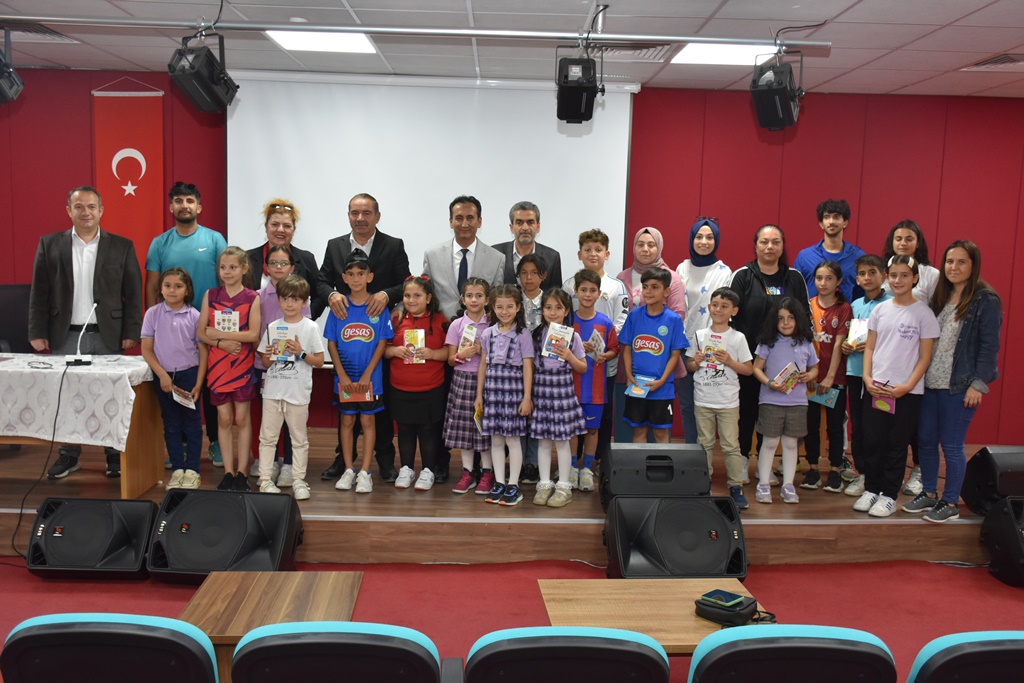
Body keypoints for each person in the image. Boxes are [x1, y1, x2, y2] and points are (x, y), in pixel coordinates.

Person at [29, 186, 143, 480]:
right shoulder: (50, 244)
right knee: (67, 396)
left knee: (112, 396)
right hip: (65, 334)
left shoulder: (122, 246)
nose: (86, 212)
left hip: (108, 334)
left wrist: (132, 330)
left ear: (101, 211)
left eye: (92, 206)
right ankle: (69, 454)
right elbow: (39, 292)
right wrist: (36, 331)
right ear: (69, 211)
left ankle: (113, 455)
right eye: (79, 206)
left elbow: (133, 293)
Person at [903, 241, 1002, 523]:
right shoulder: (940, 296)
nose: (954, 267)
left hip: (959, 386)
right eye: (949, 261)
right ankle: (929, 493)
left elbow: (989, 347)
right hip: (930, 383)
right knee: (925, 441)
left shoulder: (985, 300)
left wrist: (978, 384)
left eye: (961, 262)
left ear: (973, 265)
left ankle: (950, 502)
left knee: (952, 445)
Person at [318, 193, 411, 483]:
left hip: (376, 338)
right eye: (355, 213)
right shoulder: (335, 245)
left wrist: (386, 295)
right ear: (348, 216)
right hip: (346, 340)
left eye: (366, 213)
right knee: (346, 414)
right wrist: (332, 295)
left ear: (377, 216)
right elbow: (321, 281)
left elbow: (406, 282)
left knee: (378, 409)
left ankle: (384, 460)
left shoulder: (393, 245)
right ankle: (344, 461)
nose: (360, 218)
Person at [145, 182, 228, 468]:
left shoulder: (214, 239)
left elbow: (227, 279)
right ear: (171, 207)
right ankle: (179, 446)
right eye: (178, 201)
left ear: (198, 207)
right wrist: (154, 322)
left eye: (189, 200)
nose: (184, 205)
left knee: (211, 386)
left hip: (211, 326)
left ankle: (215, 442)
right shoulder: (160, 243)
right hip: (172, 327)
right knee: (177, 388)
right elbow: (152, 285)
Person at [856, 255, 939, 518]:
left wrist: (907, 386)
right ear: (887, 278)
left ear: (915, 278)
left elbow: (925, 357)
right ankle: (872, 489)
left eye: (904, 275)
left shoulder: (924, 313)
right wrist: (867, 378)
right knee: (873, 441)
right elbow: (870, 347)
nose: (898, 280)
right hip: (876, 388)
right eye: (893, 275)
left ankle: (889, 495)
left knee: (896, 444)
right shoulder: (880, 310)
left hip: (906, 393)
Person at [729, 224, 810, 469]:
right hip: (749, 361)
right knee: (747, 412)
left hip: (784, 365)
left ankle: (767, 467)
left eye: (776, 242)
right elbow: (731, 319)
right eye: (764, 242)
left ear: (783, 247)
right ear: (755, 246)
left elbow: (805, 319)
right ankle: (743, 460)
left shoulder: (794, 277)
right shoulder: (742, 276)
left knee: (773, 414)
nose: (769, 247)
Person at [324, 252, 394, 494]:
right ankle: (348, 469)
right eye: (351, 274)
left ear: (370, 277)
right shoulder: (338, 307)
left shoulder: (378, 307)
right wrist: (342, 375)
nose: (356, 279)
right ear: (344, 278)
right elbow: (331, 344)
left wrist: (367, 375)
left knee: (368, 420)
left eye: (361, 274)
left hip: (370, 380)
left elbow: (382, 343)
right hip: (344, 378)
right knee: (346, 420)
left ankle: (365, 472)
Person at [881, 219, 941, 496]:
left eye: (909, 238)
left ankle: (918, 469)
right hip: (888, 357)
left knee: (916, 420)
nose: (903, 243)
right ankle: (883, 474)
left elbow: (936, 313)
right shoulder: (885, 270)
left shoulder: (931, 274)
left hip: (917, 357)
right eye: (898, 238)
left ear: (918, 242)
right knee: (886, 421)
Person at [616, 227, 688, 442]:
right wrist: (629, 375)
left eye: (651, 244)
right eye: (645, 287)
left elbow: (675, 352)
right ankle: (637, 465)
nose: (648, 291)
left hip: (662, 385)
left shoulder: (672, 315)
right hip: (636, 383)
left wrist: (663, 380)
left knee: (660, 431)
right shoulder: (633, 313)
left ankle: (661, 464)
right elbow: (627, 347)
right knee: (637, 429)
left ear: (666, 291)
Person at [255, 275, 324, 501]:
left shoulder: (310, 327)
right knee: (268, 437)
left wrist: (300, 352)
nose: (290, 303)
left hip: (297, 392)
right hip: (273, 391)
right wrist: (269, 355)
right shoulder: (273, 327)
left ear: (304, 302)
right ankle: (266, 479)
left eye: (295, 299)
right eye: (285, 298)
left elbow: (319, 360)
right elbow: (266, 362)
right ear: (279, 301)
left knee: (299, 439)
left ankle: (298, 480)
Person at [684, 287, 753, 509]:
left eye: (724, 306)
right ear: (709, 307)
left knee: (731, 445)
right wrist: (696, 361)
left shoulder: (738, 337)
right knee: (704, 444)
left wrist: (730, 362)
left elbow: (748, 369)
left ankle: (736, 486)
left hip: (728, 402)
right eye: (715, 305)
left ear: (734, 311)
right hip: (703, 399)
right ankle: (703, 483)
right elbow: (690, 366)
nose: (718, 309)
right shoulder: (699, 335)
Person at [198, 246, 261, 492]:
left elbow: (253, 334)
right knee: (223, 419)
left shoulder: (252, 297)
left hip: (242, 365)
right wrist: (220, 342)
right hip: (217, 366)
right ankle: (228, 471)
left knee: (242, 418)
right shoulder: (211, 295)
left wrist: (219, 334)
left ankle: (242, 472)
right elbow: (202, 332)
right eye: (223, 267)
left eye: (233, 267)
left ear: (244, 269)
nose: (227, 272)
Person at [140, 267, 207, 490]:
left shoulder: (195, 316)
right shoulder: (153, 314)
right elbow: (146, 349)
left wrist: (198, 383)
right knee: (171, 424)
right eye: (167, 285)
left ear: (187, 290)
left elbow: (203, 352)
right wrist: (161, 375)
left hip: (189, 376)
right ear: (160, 288)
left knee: (192, 425)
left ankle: (193, 471)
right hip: (164, 377)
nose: (172, 290)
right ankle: (178, 469)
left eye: (178, 286)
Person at [563, 229, 628, 458]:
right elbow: (562, 321)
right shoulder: (568, 285)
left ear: (607, 254)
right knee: (573, 411)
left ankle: (599, 459)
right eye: (588, 249)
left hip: (603, 362)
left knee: (602, 413)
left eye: (598, 250)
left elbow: (621, 319)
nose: (593, 254)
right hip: (574, 361)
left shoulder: (617, 286)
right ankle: (573, 462)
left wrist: (604, 345)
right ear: (579, 254)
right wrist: (576, 344)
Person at [250, 245, 311, 485]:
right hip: (266, 364)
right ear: (266, 267)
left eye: (283, 263)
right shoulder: (258, 296)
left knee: (292, 419)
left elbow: (305, 330)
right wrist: (265, 351)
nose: (278, 267)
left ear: (292, 267)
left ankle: (289, 465)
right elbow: (255, 330)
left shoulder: (300, 296)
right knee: (270, 418)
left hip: (294, 369)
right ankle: (271, 462)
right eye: (273, 263)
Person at [751, 298, 819, 505]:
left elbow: (815, 368)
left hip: (798, 402)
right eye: (781, 319)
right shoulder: (767, 342)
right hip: (770, 400)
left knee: (790, 443)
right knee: (770, 442)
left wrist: (810, 375)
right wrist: (770, 383)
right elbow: (756, 368)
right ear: (774, 320)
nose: (786, 323)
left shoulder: (806, 343)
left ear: (799, 319)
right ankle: (763, 484)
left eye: (791, 318)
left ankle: (788, 485)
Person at [384, 275, 449, 491]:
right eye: (407, 296)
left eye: (417, 296)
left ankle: (428, 470)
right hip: (400, 387)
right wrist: (394, 351)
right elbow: (383, 350)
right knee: (404, 430)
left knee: (428, 430)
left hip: (431, 388)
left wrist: (432, 353)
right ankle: (406, 469)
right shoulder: (396, 319)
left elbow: (450, 354)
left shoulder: (441, 321)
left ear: (428, 298)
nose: (411, 300)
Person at [474, 284, 534, 506]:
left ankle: (513, 485)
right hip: (492, 393)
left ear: (518, 307)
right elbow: (483, 365)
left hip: (514, 393)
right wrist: (479, 395)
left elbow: (528, 367)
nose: (505, 311)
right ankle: (499, 482)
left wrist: (527, 397)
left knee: (513, 439)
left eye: (510, 306)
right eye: (499, 307)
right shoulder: (487, 334)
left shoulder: (523, 334)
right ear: (492, 307)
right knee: (496, 439)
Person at [676, 217, 733, 452]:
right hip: (683, 346)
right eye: (699, 236)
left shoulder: (723, 271)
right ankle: (691, 452)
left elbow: (725, 310)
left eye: (709, 237)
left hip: (711, 347)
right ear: (692, 239)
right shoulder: (682, 268)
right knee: (687, 404)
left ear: (716, 240)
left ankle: (705, 455)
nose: (704, 241)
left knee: (708, 405)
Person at [530, 288, 587, 509]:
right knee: (543, 442)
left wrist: (570, 356)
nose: (553, 312)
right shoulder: (536, 335)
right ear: (542, 310)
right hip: (542, 396)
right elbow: (530, 367)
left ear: (566, 311)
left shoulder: (573, 336)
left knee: (563, 442)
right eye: (548, 307)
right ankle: (544, 484)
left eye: (558, 308)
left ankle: (564, 486)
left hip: (563, 396)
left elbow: (582, 367)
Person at [840, 255, 891, 498]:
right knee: (859, 426)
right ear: (857, 279)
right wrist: (846, 346)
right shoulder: (855, 305)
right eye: (862, 273)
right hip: (855, 372)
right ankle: (863, 473)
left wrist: (873, 346)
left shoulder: (892, 304)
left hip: (881, 375)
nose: (867, 277)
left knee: (879, 427)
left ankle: (880, 475)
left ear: (884, 276)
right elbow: (850, 336)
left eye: (872, 272)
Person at [801, 261, 853, 494]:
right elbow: (803, 342)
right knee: (811, 425)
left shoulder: (844, 308)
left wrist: (830, 377)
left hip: (835, 379)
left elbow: (840, 344)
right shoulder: (808, 305)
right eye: (819, 278)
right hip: (811, 377)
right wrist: (811, 372)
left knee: (835, 426)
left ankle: (835, 470)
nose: (823, 283)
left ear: (839, 281)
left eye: (829, 278)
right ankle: (812, 469)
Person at [570, 269, 619, 492]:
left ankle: (587, 469)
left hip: (596, 389)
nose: (588, 294)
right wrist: (576, 345)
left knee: (592, 430)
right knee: (572, 430)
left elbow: (614, 349)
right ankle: (571, 468)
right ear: (575, 291)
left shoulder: (605, 323)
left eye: (592, 290)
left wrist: (605, 355)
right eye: (583, 290)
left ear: (599, 293)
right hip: (570, 389)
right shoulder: (568, 321)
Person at [443, 277, 493, 494]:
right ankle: (468, 473)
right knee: (465, 429)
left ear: (487, 300)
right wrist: (460, 355)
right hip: (462, 380)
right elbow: (450, 360)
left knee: (485, 428)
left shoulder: (493, 324)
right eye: (470, 296)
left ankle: (488, 472)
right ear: (463, 299)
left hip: (488, 380)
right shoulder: (457, 325)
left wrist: (484, 351)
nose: (474, 300)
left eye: (479, 296)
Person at [423, 195, 506, 318]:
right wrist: (400, 308)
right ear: (451, 222)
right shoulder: (432, 255)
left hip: (480, 327)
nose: (465, 224)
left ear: (479, 221)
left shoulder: (496, 258)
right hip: (441, 324)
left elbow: (497, 298)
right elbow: (422, 291)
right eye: (459, 218)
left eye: (470, 218)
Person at [245, 199, 326, 319]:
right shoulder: (248, 258)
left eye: (287, 226)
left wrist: (305, 320)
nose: (280, 230)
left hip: (296, 330)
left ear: (294, 229)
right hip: (258, 329)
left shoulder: (306, 259)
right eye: (275, 224)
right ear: (266, 226)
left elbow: (319, 296)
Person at [793, 199, 866, 302]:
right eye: (827, 217)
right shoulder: (805, 257)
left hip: (848, 311)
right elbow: (795, 291)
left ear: (845, 223)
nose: (831, 222)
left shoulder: (858, 257)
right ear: (821, 224)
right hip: (811, 311)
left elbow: (864, 294)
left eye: (836, 217)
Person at [516, 253, 548, 484]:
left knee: (536, 414)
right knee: (519, 412)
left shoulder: (550, 300)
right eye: (524, 273)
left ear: (543, 276)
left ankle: (533, 462)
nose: (529, 278)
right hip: (517, 366)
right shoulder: (513, 300)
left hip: (543, 365)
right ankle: (518, 462)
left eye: (534, 273)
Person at [493, 201, 563, 291]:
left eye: (530, 222)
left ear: (538, 227)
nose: (525, 228)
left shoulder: (552, 258)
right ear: (511, 227)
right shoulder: (495, 253)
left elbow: (556, 296)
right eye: (519, 223)